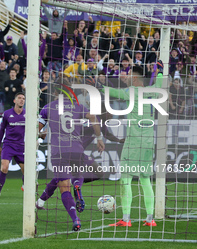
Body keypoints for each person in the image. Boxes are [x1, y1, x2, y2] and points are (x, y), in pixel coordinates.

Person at [37, 81, 105, 231]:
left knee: (64, 188)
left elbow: (38, 129)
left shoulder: (48, 107)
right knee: (94, 172)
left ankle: (76, 220)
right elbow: (94, 119)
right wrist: (99, 138)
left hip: (58, 152)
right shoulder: (78, 106)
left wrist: (40, 137)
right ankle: (77, 185)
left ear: (55, 93)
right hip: (76, 150)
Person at [106, 65, 162, 227]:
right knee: (145, 179)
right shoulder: (151, 91)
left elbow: (112, 92)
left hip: (134, 141)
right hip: (148, 142)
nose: (127, 77)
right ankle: (150, 219)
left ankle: (126, 219)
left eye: (130, 75)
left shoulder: (131, 91)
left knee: (126, 179)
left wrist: (98, 86)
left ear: (135, 78)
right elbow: (159, 83)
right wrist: (160, 71)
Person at [0, 93, 25, 200]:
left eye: (23, 99)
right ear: (14, 101)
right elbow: (2, 130)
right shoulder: (7, 114)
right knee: (4, 167)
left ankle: (24, 186)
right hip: (8, 145)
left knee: (27, 171)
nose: (22, 100)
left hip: (21, 146)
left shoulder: (27, 114)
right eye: (19, 98)